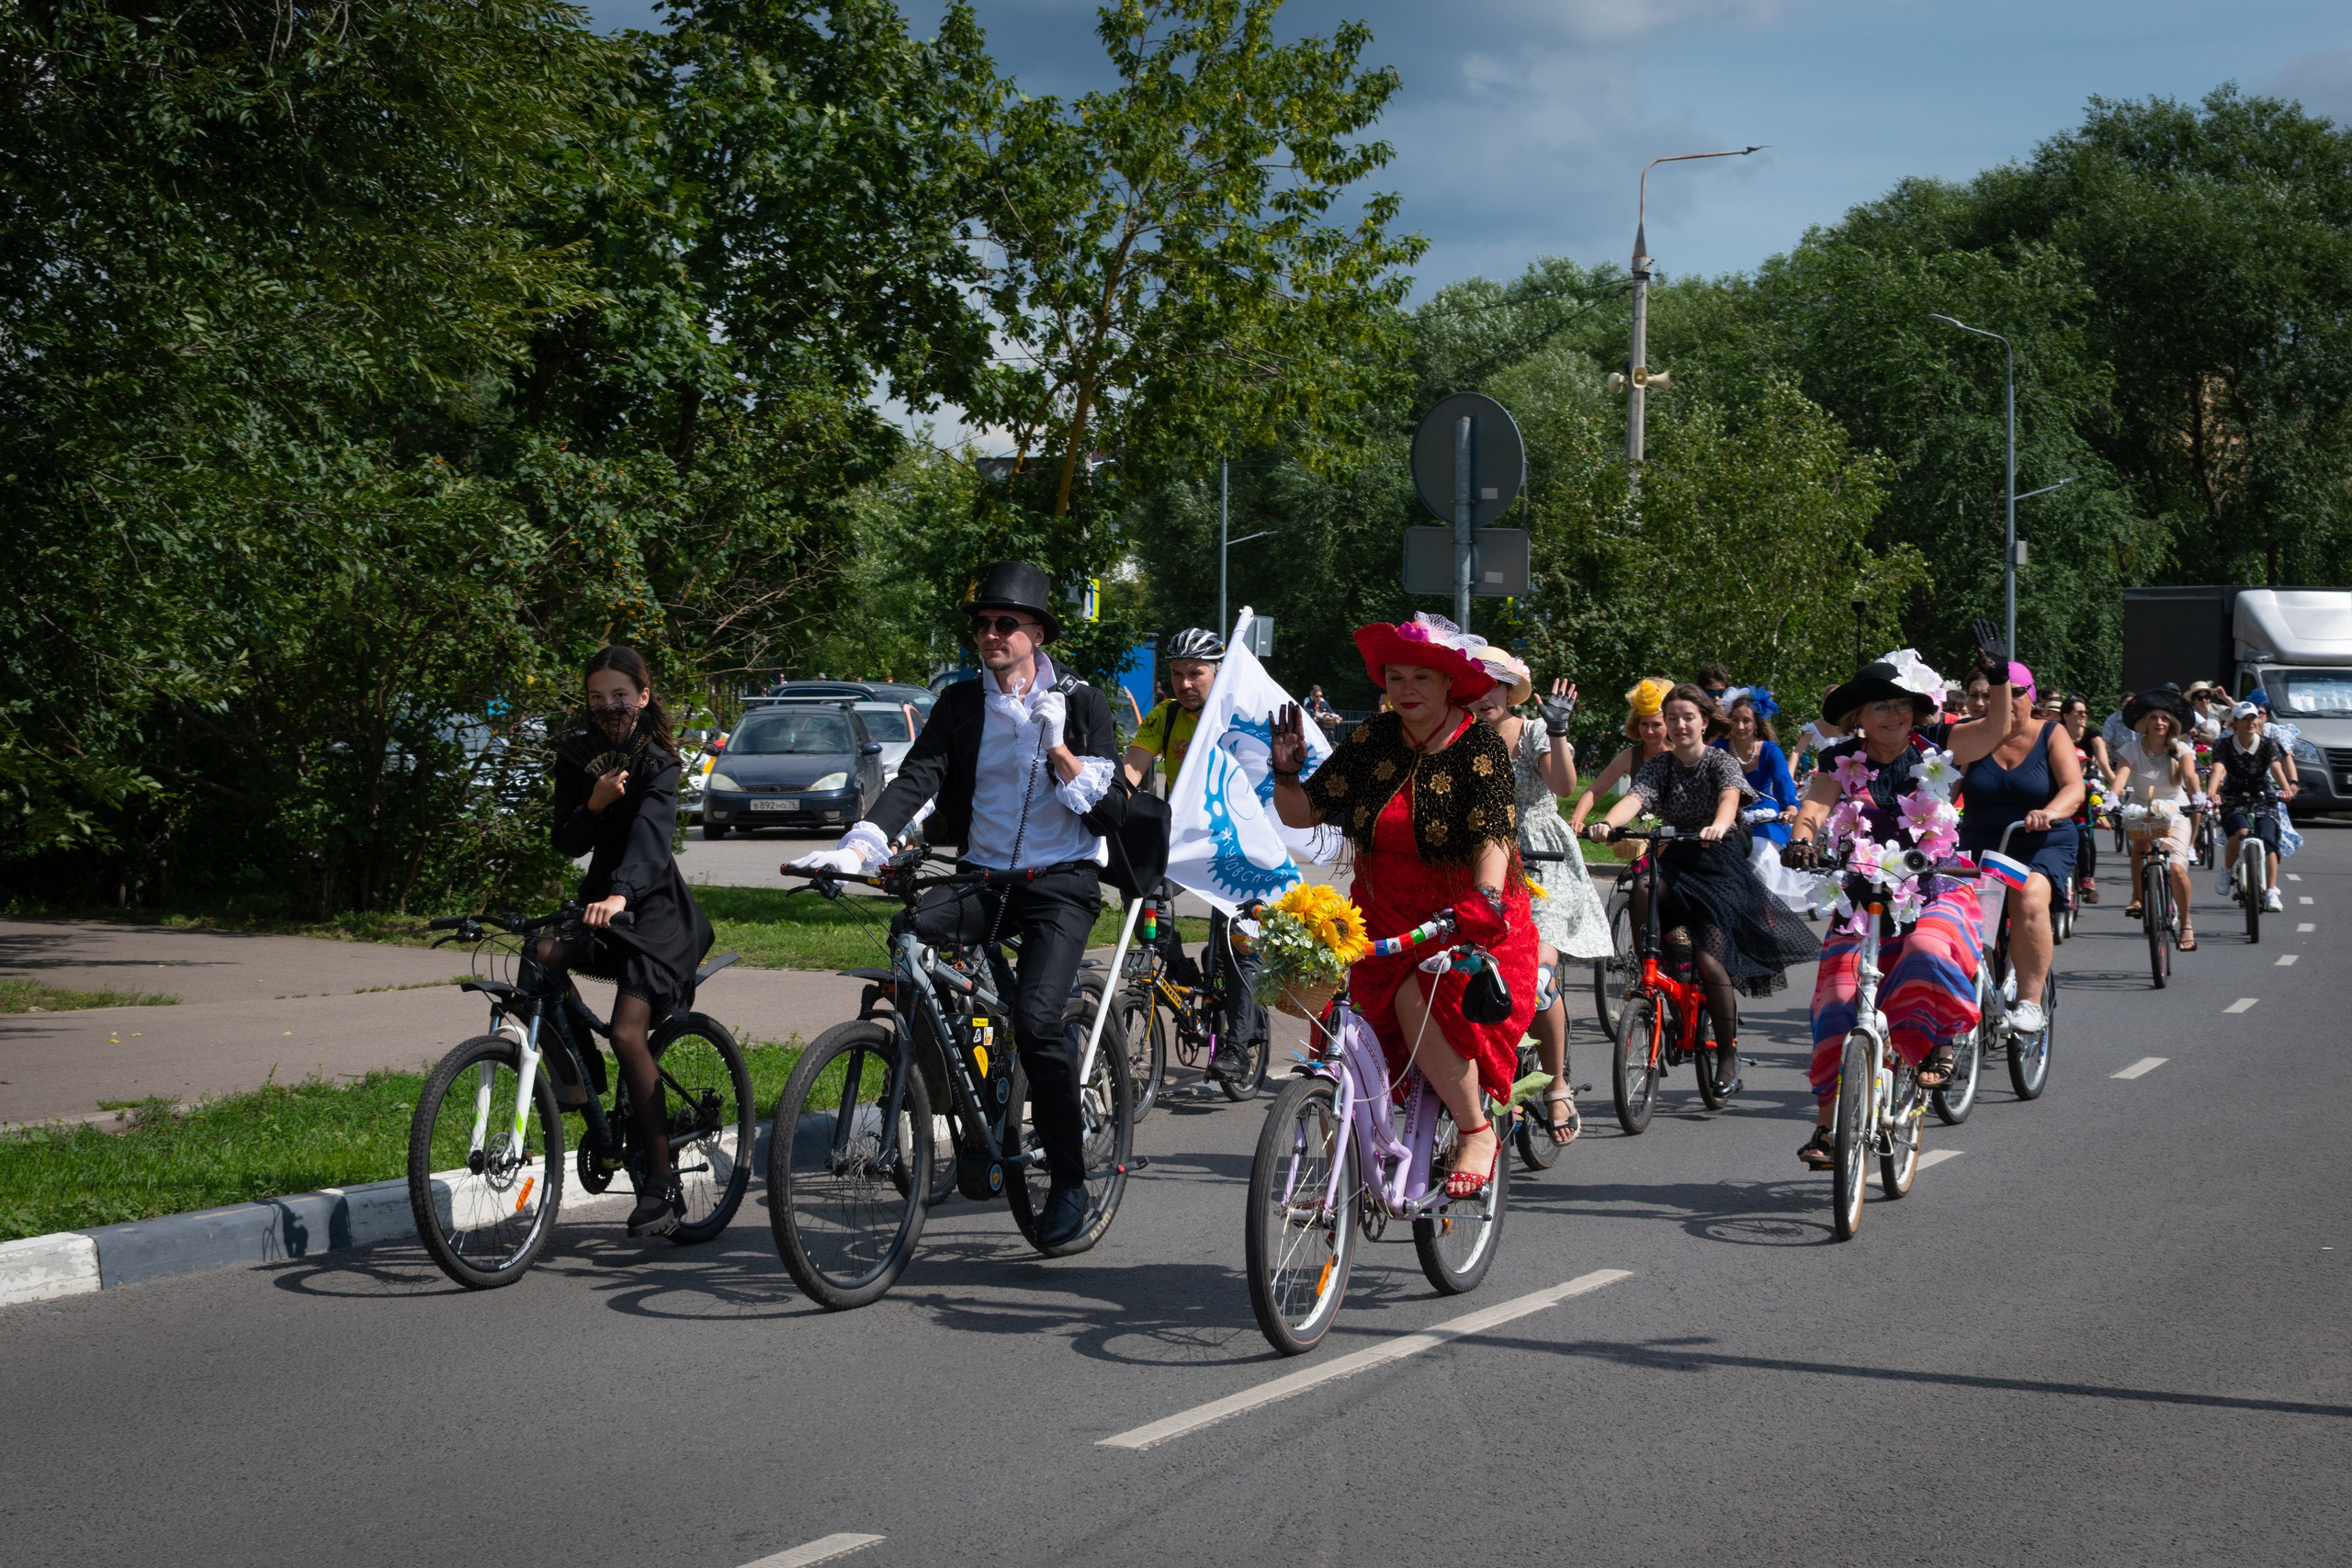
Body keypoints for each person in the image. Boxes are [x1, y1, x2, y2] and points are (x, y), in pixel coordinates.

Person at [789, 560, 1133, 1248]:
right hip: (983, 879)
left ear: (1037, 633)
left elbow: (1110, 812)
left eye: (1006, 623)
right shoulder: (961, 704)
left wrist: (1059, 748)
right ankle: (966, 1104)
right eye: (982, 624)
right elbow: (919, 777)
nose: (991, 634)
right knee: (913, 934)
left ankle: (1068, 1179)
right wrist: (857, 848)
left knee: (1036, 1019)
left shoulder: (1082, 701)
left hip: (1060, 884)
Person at [1268, 614, 1536, 1198]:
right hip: (1380, 910)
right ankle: (1348, 1168)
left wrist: (1486, 901)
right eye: (1395, 677)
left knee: (1419, 998)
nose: (1406, 689)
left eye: (1421, 677)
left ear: (1448, 684)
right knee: (1342, 1025)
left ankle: (1475, 1130)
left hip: (1462, 914)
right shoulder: (1373, 738)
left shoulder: (1480, 745)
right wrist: (1285, 772)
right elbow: (1303, 813)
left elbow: (1494, 838)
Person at [1782, 643, 2017, 1168]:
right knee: (1837, 1003)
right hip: (1863, 898)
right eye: (1882, 706)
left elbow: (1995, 729)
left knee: (1928, 949)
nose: (1896, 714)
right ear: (1858, 717)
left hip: (1935, 887)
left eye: (1903, 704)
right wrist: (1801, 839)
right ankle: (1827, 1129)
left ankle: (1940, 1040)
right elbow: (1815, 805)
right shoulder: (1840, 760)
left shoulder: (1937, 746)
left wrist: (2000, 677)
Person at [541, 647, 717, 1237]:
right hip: (603, 905)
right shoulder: (577, 756)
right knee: (540, 956)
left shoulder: (659, 762)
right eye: (597, 698)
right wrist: (593, 804)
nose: (608, 707)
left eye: (620, 696)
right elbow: (566, 841)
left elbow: (650, 836)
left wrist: (621, 893)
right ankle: (581, 1077)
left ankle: (661, 1183)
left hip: (657, 914)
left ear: (642, 696)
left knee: (626, 1033)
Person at [1587, 684, 1822, 1099]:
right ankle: (1648, 968)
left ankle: (1728, 1054)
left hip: (1719, 862)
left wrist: (1719, 824)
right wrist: (1609, 823)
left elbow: (1730, 798)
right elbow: (1636, 799)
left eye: (1687, 717)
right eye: (1672, 718)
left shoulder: (1720, 761)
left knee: (1711, 963)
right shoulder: (1660, 765)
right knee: (1643, 886)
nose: (1679, 725)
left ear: (1704, 722)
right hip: (1679, 857)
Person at [1466, 651, 1611, 1145]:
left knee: (1539, 979)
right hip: (1479, 860)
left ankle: (1557, 1084)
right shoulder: (1458, 736)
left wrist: (1558, 731)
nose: (1483, 695)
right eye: (1473, 685)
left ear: (1510, 692)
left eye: (1494, 685)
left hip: (1541, 864)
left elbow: (1564, 786)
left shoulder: (1531, 733)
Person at [1121, 627, 1263, 1081]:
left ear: (1218, 672)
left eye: (1195, 674)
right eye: (1177, 674)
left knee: (1238, 941)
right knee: (1140, 895)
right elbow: (1132, 769)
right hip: (1182, 844)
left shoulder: (1238, 718)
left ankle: (1237, 1047)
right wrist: (1108, 803)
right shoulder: (1165, 716)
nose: (1184, 684)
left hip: (1236, 847)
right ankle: (1182, 972)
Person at [1959, 660, 2088, 987]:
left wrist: (2051, 812)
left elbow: (2074, 788)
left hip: (2041, 842)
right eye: (1994, 694)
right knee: (1962, 908)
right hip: (1982, 845)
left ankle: (2029, 1001)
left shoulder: (2051, 733)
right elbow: (1943, 791)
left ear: (2032, 696)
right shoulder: (1970, 736)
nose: (2005, 701)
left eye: (2015, 693)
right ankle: (1977, 992)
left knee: (2026, 893)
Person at [2114, 683, 2199, 950]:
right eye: (2153, 717)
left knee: (2176, 869)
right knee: (2140, 845)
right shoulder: (2131, 749)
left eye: (2164, 718)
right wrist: (2112, 797)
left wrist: (2198, 795)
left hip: (2176, 810)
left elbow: (2190, 777)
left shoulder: (2182, 749)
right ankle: (2138, 897)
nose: (2159, 722)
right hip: (2141, 808)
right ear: (2145, 722)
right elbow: (2121, 778)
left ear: (2172, 723)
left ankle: (2186, 923)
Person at [1714, 690, 1809, 910]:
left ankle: (1764, 910)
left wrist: (1790, 807)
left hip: (1763, 815)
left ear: (1756, 723)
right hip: (1727, 815)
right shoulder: (1718, 748)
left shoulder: (1769, 751)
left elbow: (1783, 782)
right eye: (1735, 720)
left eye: (1746, 720)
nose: (1740, 726)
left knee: (1761, 851)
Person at [2208, 700, 2295, 912]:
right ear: (2235, 723)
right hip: (2233, 796)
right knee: (2241, 831)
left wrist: (2286, 790)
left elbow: (2276, 768)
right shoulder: (2224, 744)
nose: (2250, 723)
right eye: (2245, 719)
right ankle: (2227, 870)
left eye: (2253, 718)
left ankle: (2271, 891)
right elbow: (2218, 769)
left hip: (2263, 795)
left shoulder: (2267, 744)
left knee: (2269, 839)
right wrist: (2212, 792)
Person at [1568, 678, 1672, 834]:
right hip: (1647, 836)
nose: (1649, 731)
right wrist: (1576, 820)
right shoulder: (1630, 756)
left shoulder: (1681, 754)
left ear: (1670, 724)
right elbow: (1594, 791)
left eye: (1656, 725)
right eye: (1644, 724)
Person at [2052, 694, 2102, 904]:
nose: (2083, 715)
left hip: (2081, 820)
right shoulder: (2056, 734)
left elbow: (2104, 764)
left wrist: (2107, 806)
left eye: (2085, 712)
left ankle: (2087, 878)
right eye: (2078, 712)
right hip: (2060, 810)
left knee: (2086, 841)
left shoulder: (2092, 737)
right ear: (2066, 716)